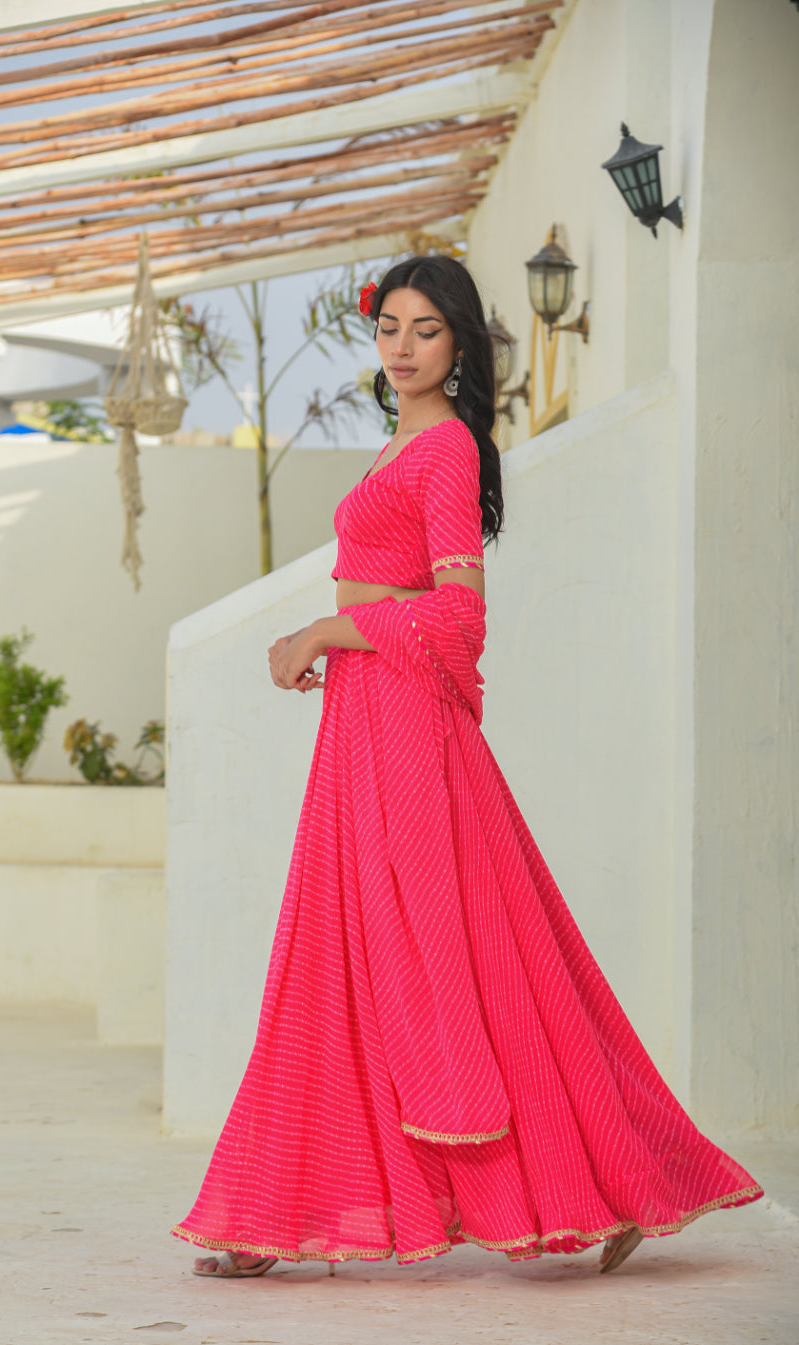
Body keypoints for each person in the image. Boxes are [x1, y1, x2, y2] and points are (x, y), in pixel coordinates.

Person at [174, 255, 762, 1279]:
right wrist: (339, 635)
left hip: (405, 724)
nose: (401, 348)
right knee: (358, 952)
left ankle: (599, 1179)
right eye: (389, 327)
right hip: (368, 719)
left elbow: (460, 614)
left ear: (460, 346)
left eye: (425, 331)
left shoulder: (445, 447)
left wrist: (327, 626)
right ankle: (285, 1206)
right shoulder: (404, 441)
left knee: (449, 962)